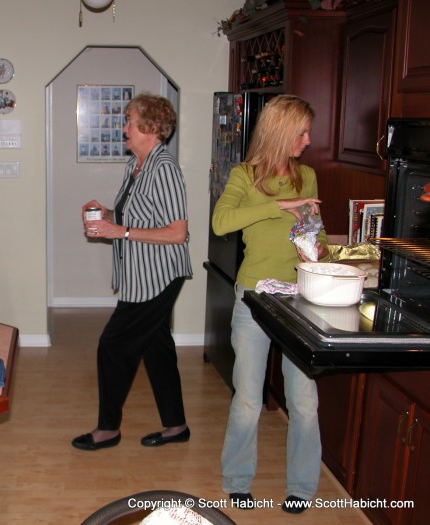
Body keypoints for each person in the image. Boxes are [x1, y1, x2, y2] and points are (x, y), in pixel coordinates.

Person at [212, 95, 329, 513]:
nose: (308, 140)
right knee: (247, 397)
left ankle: (301, 486)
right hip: (255, 299)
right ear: (281, 133)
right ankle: (238, 479)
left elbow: (315, 235)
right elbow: (221, 221)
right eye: (301, 132)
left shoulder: (308, 176)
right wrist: (279, 204)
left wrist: (315, 250)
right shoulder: (244, 177)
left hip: (299, 301)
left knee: (304, 401)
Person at [72, 93, 193, 451]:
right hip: (138, 274)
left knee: (112, 346)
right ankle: (177, 426)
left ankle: (107, 429)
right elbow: (135, 217)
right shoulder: (136, 165)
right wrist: (107, 215)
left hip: (158, 277)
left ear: (151, 128)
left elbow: (177, 232)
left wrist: (119, 231)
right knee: (157, 349)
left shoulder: (164, 168)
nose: (123, 127)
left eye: (129, 120)